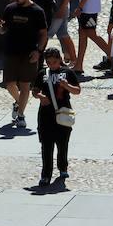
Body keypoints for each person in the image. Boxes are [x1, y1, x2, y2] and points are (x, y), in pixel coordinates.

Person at [0, 0, 48, 127]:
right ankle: (19, 102)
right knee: (10, 84)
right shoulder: (10, 9)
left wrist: (39, 51)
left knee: (25, 85)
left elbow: (43, 33)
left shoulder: (37, 11)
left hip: (29, 53)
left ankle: (20, 115)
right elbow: (3, 30)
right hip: (11, 51)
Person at [32, 46, 80, 186]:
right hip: (46, 114)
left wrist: (67, 86)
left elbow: (77, 91)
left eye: (54, 61)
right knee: (46, 145)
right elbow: (35, 91)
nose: (51, 65)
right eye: (49, 62)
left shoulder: (68, 72)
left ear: (59, 59)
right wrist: (41, 96)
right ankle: (46, 174)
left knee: (62, 143)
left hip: (63, 112)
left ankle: (63, 167)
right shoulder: (42, 73)